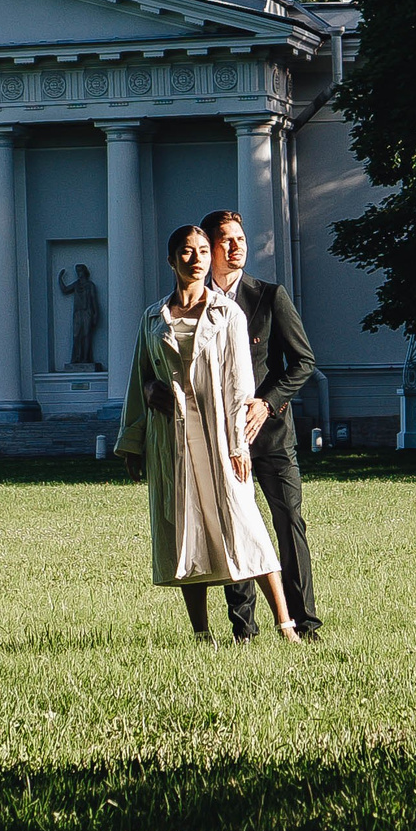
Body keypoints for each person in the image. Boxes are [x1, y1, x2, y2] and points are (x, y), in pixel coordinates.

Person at [116, 223, 302, 641]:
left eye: (202, 250)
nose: (196, 258)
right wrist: (133, 442)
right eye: (186, 251)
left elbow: (240, 384)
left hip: (220, 436)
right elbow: (139, 378)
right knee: (187, 530)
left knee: (245, 525)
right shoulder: (152, 317)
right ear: (171, 260)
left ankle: (285, 625)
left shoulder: (227, 313)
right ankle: (202, 634)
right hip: (173, 438)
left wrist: (239, 445)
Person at [202, 209, 323, 642]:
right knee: (236, 530)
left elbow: (303, 362)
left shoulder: (270, 296)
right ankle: (243, 630)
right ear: (209, 247)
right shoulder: (196, 303)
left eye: (241, 239)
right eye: (226, 241)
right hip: (219, 438)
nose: (237, 248)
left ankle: (306, 625)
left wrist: (267, 404)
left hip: (270, 435)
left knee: (289, 522)